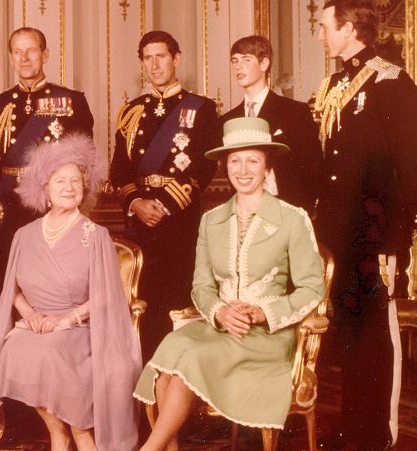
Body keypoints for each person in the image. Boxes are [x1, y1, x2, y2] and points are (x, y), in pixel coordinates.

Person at [134, 117, 325, 451]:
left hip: (267, 336)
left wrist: (264, 312)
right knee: (171, 353)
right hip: (219, 328)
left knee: (186, 356)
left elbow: (312, 288)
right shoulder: (212, 220)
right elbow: (201, 287)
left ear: (267, 166)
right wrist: (220, 312)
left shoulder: (292, 218)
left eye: (253, 160)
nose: (243, 169)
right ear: (225, 166)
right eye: (235, 160)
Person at [314, 1, 417, 447]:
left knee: (374, 339)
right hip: (335, 233)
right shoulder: (334, 84)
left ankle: (375, 434)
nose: (321, 36)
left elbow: (415, 167)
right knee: (347, 337)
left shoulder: (391, 81)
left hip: (374, 235)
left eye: (325, 27)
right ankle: (351, 425)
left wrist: (394, 239)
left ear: (349, 29)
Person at [0, 134, 141, 451]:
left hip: (79, 330)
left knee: (51, 354)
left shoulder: (95, 235)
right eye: (59, 181)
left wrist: (66, 319)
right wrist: (31, 315)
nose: (69, 187)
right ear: (44, 189)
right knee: (14, 351)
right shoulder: (24, 236)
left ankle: (80, 435)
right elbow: (11, 291)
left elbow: (106, 295)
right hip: (35, 326)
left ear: (84, 188)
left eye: (75, 181)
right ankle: (58, 431)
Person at [110, 30, 221, 355]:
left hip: (180, 223)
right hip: (139, 225)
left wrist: (165, 204)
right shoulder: (131, 112)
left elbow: (204, 165)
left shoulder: (200, 109)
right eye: (148, 58)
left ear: (176, 59)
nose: (155, 64)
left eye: (161, 56)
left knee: (178, 303)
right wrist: (137, 202)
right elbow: (120, 169)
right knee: (142, 304)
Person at [0, 27, 94, 263]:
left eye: (31, 51)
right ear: (11, 58)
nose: (24, 58)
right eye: (17, 52)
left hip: (52, 205)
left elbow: (84, 163)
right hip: (11, 204)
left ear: (45, 55)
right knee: (11, 275)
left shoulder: (72, 101)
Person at [220, 35, 322, 213]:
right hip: (243, 213)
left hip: (287, 211)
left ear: (264, 64)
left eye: (246, 59)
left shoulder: (295, 112)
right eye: (234, 61)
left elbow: (313, 170)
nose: (238, 67)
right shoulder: (228, 120)